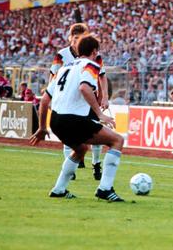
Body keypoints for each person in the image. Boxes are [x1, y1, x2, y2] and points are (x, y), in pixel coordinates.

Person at [29, 34, 126, 202]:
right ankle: (105, 189)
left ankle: (59, 189)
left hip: (56, 121)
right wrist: (100, 113)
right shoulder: (91, 65)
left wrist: (42, 127)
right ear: (94, 51)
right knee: (117, 140)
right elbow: (84, 88)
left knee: (81, 149)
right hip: (74, 120)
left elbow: (44, 99)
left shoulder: (64, 68)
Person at [49, 23, 109, 181]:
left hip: (90, 99)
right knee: (69, 136)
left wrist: (104, 97)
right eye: (76, 37)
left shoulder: (94, 55)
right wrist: (51, 95)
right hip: (70, 100)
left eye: (82, 37)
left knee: (97, 131)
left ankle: (96, 164)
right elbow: (53, 76)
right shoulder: (61, 55)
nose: (78, 40)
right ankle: (70, 166)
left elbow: (101, 75)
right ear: (70, 38)